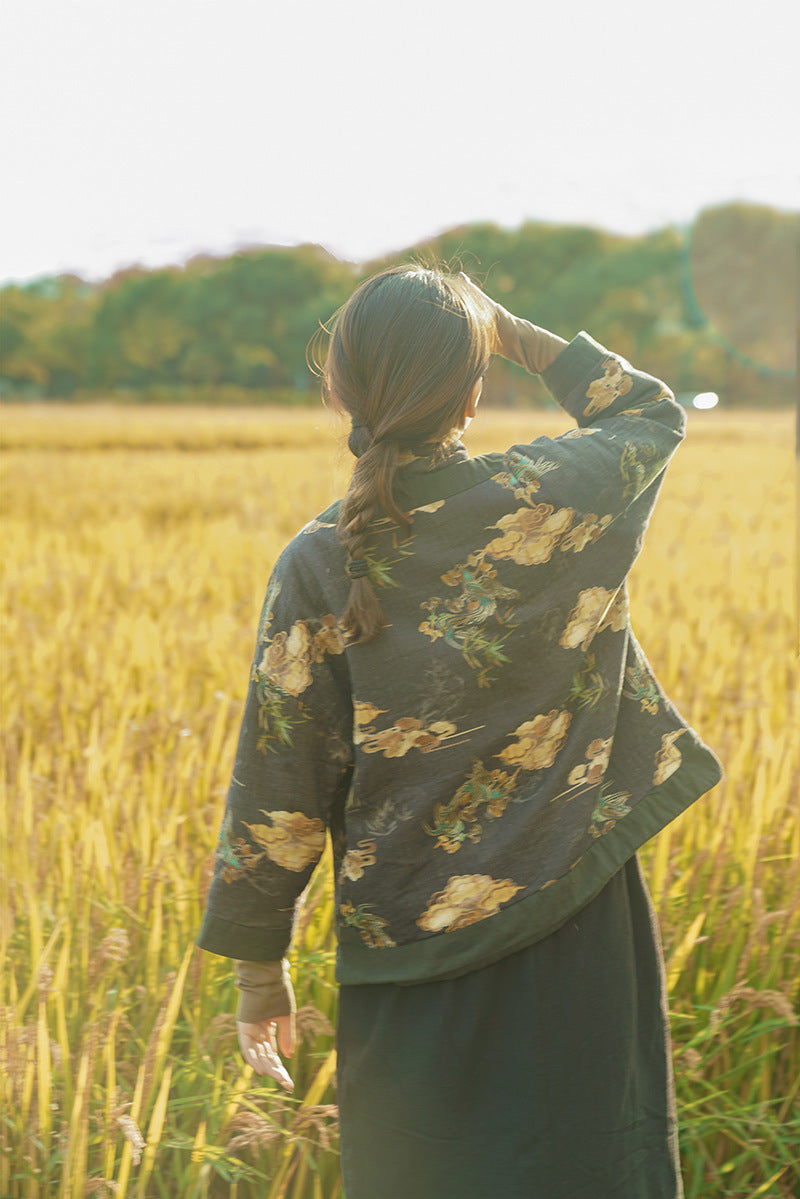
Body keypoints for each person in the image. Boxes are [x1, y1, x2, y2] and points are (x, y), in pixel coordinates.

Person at [197, 264, 722, 1198]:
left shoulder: (318, 561)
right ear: (476, 387)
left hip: (410, 955)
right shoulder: (554, 494)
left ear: (340, 390)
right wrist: (512, 330)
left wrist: (257, 974)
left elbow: (279, 780)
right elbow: (648, 413)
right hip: (579, 921)